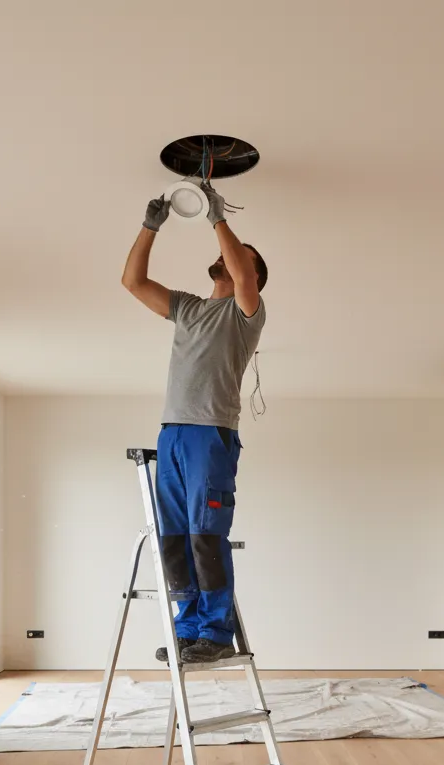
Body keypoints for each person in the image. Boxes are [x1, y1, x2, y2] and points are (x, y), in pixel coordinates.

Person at [121, 183, 268, 664]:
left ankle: (215, 632)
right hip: (173, 433)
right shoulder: (187, 308)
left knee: (206, 533)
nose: (225, 256)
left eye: (236, 256)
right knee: (175, 535)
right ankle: (188, 628)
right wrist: (150, 227)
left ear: (250, 274)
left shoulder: (246, 313)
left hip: (211, 435)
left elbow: (242, 271)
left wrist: (217, 218)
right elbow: (133, 282)